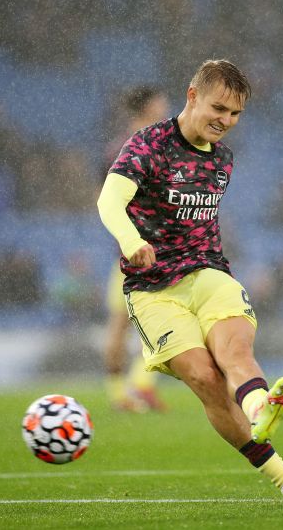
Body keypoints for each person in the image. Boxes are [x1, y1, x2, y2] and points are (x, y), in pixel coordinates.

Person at [97, 60, 283, 505]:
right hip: (153, 289)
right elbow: (109, 200)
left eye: (235, 114)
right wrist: (132, 239)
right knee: (204, 377)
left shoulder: (223, 160)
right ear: (192, 95)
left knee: (234, 351)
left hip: (209, 274)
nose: (226, 122)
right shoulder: (148, 144)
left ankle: (261, 409)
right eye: (219, 108)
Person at [102, 86, 171, 413]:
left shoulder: (162, 144)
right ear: (146, 107)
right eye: (161, 102)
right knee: (122, 321)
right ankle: (121, 392)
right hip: (135, 248)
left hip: (162, 246)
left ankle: (140, 385)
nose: (167, 107)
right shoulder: (124, 148)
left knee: (163, 317)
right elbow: (107, 197)